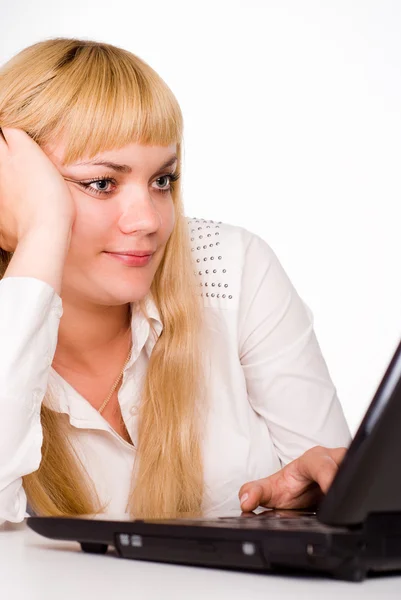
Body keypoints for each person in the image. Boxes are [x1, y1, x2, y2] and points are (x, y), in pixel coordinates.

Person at [0, 37, 351, 526]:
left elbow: (342, 494)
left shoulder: (232, 269)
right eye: (102, 183)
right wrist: (42, 233)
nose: (148, 220)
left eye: (162, 180)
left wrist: (319, 496)